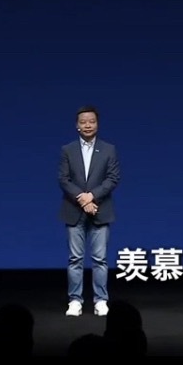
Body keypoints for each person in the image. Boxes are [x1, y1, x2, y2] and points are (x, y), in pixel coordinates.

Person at [58, 105, 121, 317]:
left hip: (100, 209)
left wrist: (92, 196)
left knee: (100, 259)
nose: (87, 125)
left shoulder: (109, 149)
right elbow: (63, 179)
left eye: (91, 121)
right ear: (77, 125)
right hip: (73, 210)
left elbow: (113, 178)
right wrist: (83, 199)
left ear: (97, 124)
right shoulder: (67, 150)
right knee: (75, 259)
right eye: (83, 122)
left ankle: (101, 300)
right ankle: (75, 300)